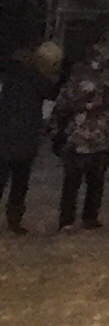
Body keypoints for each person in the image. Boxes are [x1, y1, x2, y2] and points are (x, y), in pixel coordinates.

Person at [48, 37, 109, 232]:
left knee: (71, 182)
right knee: (96, 181)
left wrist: (55, 132)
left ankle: (67, 220)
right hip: (102, 137)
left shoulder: (76, 79)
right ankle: (90, 217)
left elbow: (61, 105)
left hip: (76, 136)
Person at [0, 41, 52, 235]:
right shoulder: (36, 78)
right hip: (25, 139)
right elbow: (52, 91)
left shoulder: (8, 79)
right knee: (19, 185)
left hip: (3, 138)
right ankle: (14, 221)